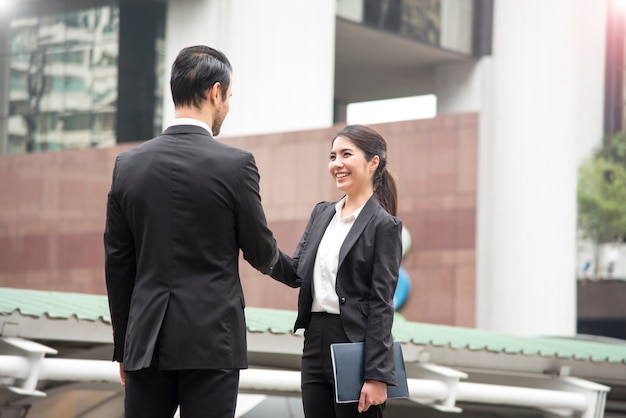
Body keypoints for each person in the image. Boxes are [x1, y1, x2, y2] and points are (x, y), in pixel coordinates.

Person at [103, 45, 299, 418]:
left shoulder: (127, 166)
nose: (227, 105)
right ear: (215, 93)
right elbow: (260, 250)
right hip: (213, 340)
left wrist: (125, 348)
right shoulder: (235, 165)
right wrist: (299, 275)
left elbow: (118, 264)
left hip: (146, 342)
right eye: (229, 96)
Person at [271, 124, 403, 418]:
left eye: (346, 154)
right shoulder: (322, 213)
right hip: (314, 339)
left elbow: (381, 304)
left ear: (373, 162)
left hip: (354, 344)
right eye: (332, 156)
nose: (336, 164)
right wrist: (259, 247)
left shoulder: (384, 226)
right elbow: (296, 272)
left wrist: (377, 374)